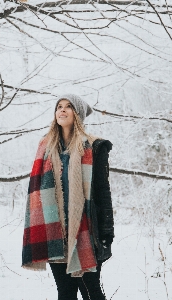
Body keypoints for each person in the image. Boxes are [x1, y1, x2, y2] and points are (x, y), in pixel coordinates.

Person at [22, 94, 114, 300]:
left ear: (78, 114)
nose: (62, 110)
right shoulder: (45, 148)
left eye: (68, 106)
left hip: (85, 234)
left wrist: (107, 236)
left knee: (92, 293)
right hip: (55, 233)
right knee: (65, 293)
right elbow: (36, 193)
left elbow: (103, 193)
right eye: (59, 107)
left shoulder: (94, 147)